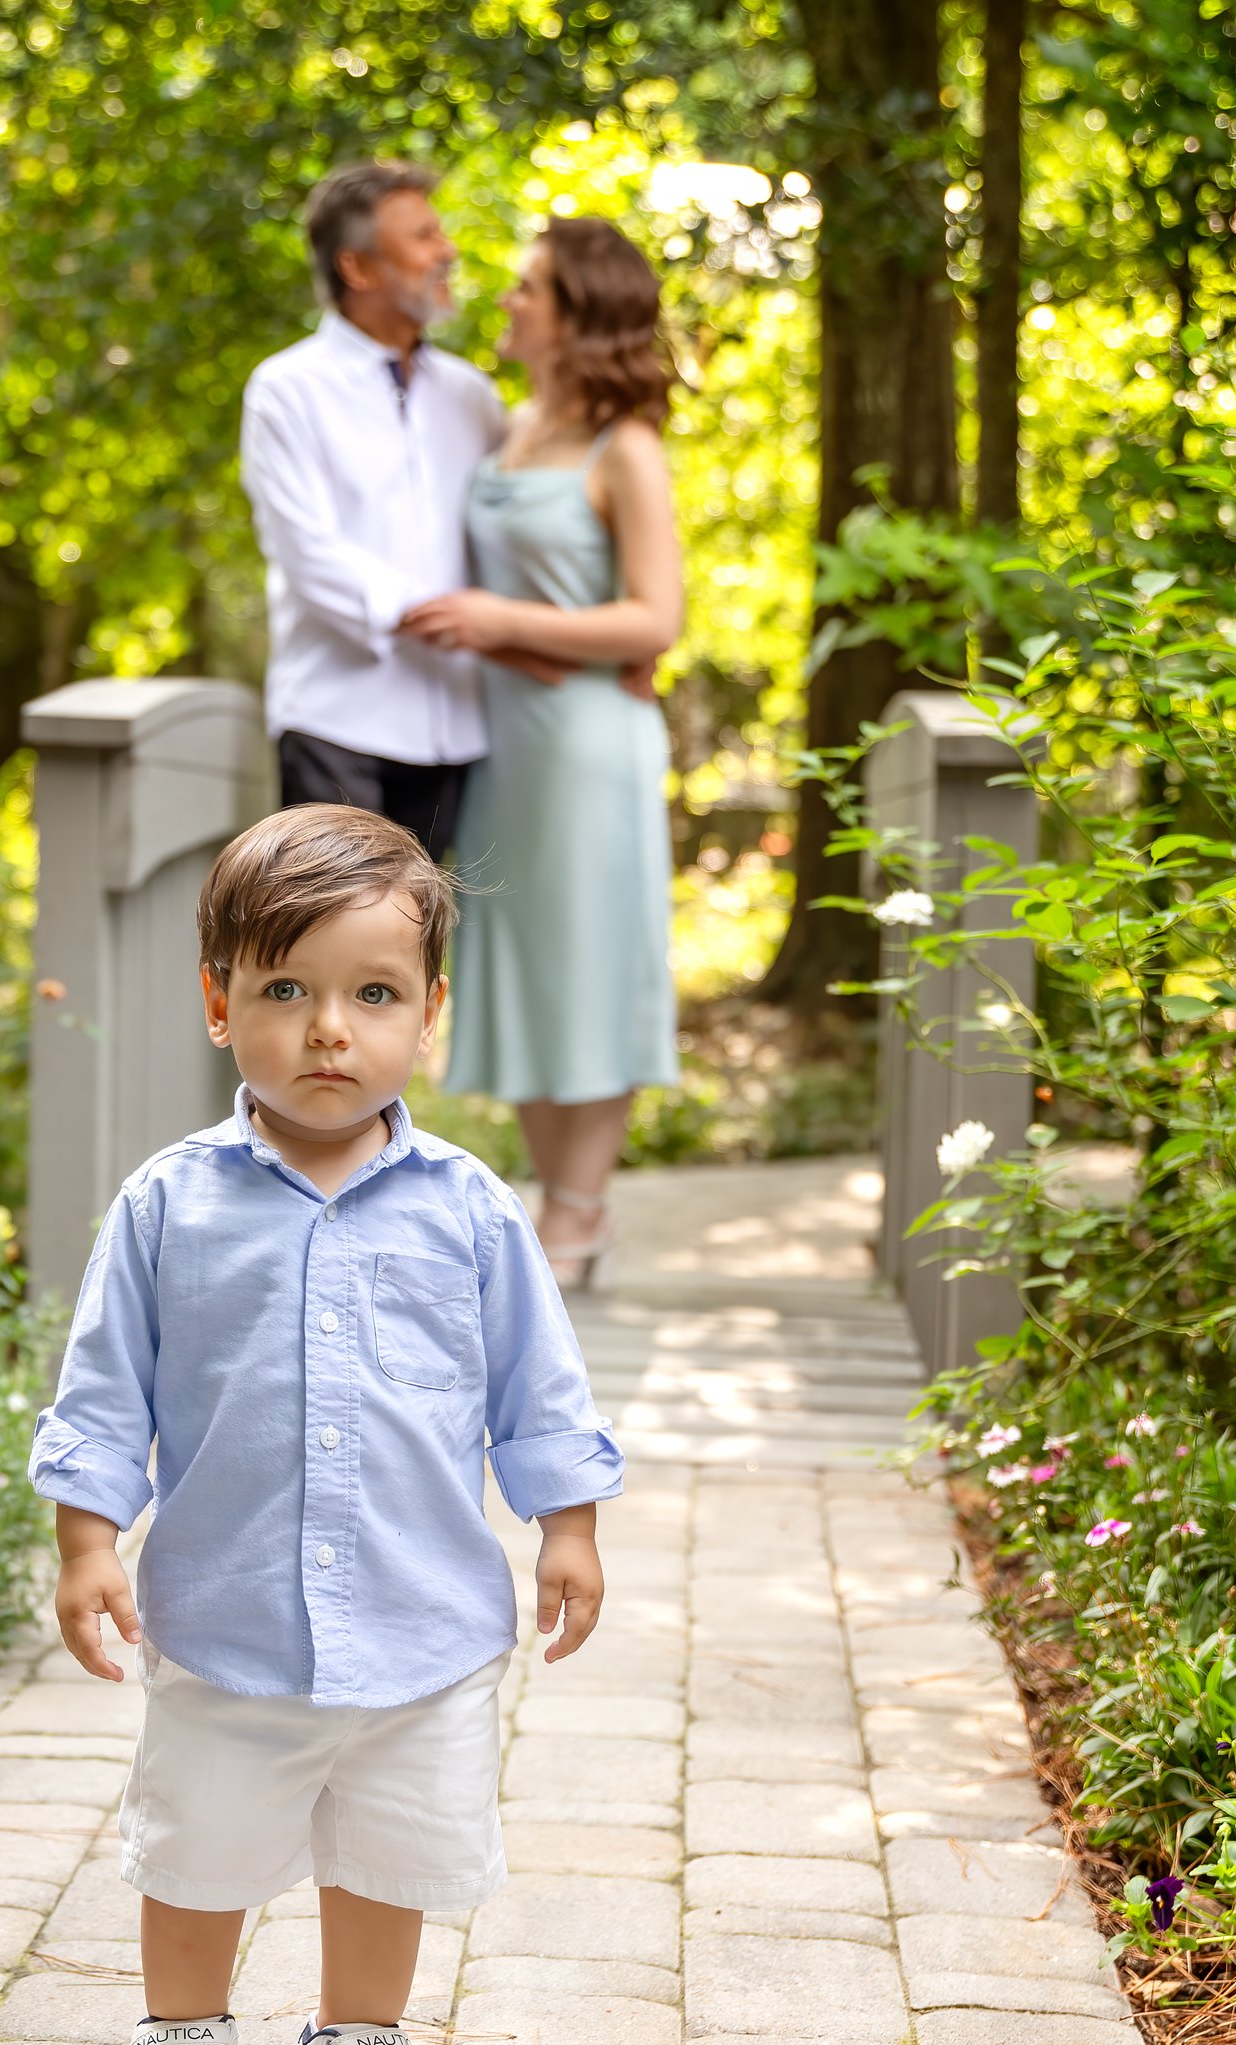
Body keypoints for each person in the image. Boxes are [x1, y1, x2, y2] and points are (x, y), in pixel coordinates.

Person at [29, 803, 621, 2045]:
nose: (328, 1029)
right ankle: (180, 2038)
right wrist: (86, 1537)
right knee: (201, 1841)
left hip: (422, 1617)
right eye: (285, 990)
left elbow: (539, 1378)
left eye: (373, 994)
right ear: (219, 1002)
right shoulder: (171, 1204)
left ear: (432, 1012)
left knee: (392, 1846)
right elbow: (107, 1385)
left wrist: (571, 1525)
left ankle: (354, 2044)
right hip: (226, 1612)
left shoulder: (470, 1208)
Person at [401, 217, 684, 1290]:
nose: (506, 302)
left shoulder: (630, 449)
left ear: (578, 320)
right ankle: (548, 1198)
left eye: (529, 290)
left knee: (594, 961)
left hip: (588, 744)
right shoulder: (505, 427)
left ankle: (579, 1211)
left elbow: (654, 621)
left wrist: (497, 619)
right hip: (504, 742)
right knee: (514, 958)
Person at [241, 163, 515, 860]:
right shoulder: (286, 389)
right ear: (357, 267)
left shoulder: (472, 395)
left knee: (420, 946)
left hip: (459, 723)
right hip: (336, 717)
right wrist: (435, 613)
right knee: (332, 937)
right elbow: (306, 551)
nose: (446, 250)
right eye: (424, 235)